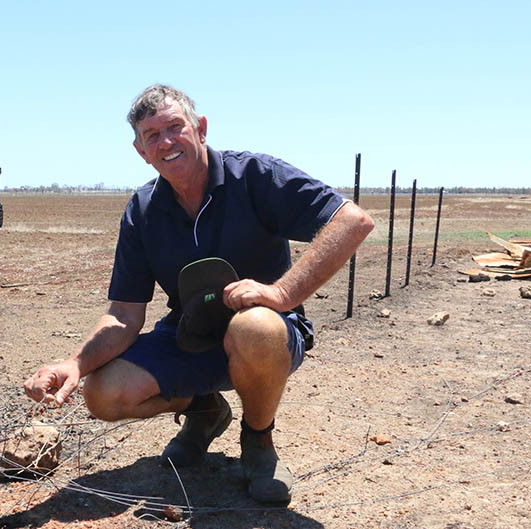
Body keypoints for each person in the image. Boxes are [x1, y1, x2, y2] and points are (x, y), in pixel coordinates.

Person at [24, 84, 374, 503]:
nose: (167, 142)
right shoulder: (143, 209)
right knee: (102, 394)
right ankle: (204, 410)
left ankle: (258, 440)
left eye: (175, 127)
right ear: (141, 151)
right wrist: (75, 363)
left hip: (270, 334)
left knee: (255, 327)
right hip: (189, 333)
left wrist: (280, 294)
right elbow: (124, 315)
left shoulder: (255, 177)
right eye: (152, 135)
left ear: (201, 128)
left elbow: (352, 221)